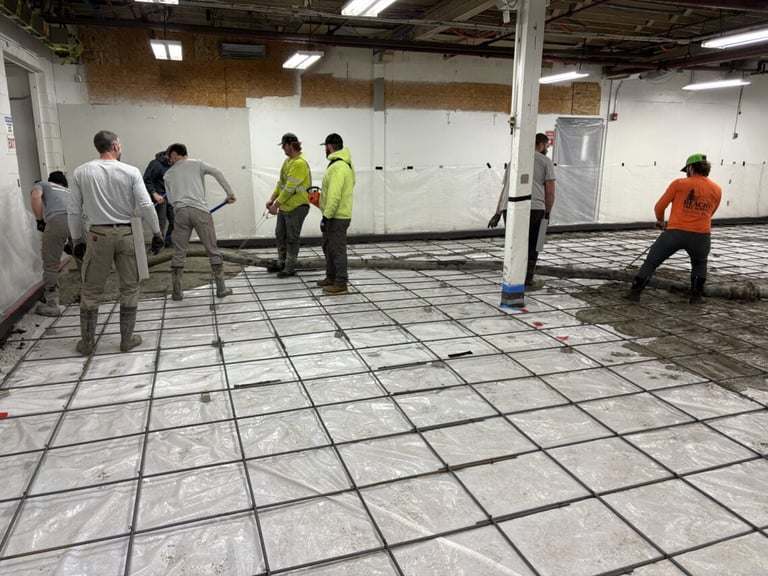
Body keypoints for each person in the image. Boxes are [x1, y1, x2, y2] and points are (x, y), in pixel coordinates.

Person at [68, 130, 164, 355]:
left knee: (91, 290)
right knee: (130, 286)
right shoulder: (130, 171)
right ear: (115, 146)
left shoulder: (82, 171)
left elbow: (73, 209)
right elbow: (146, 205)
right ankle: (127, 340)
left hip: (97, 236)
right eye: (120, 144)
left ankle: (88, 343)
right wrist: (157, 232)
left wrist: (76, 239)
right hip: (127, 235)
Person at [624, 153, 722, 304]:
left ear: (690, 168)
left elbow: (659, 206)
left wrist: (660, 221)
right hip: (701, 236)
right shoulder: (717, 189)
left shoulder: (679, 184)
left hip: (675, 233)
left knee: (651, 262)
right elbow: (711, 213)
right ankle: (696, 297)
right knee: (699, 264)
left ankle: (634, 294)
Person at [163, 143, 237, 301]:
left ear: (176, 154)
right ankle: (221, 289)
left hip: (180, 213)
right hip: (200, 212)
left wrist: (180, 205)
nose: (169, 159)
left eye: (170, 156)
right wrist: (229, 193)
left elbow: (169, 200)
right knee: (212, 249)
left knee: (179, 252)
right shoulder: (198, 164)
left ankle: (177, 292)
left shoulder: (168, 175)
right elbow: (217, 172)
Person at [488, 134, 556, 286]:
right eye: (547, 147)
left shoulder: (514, 160)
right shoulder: (545, 161)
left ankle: (513, 278)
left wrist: (497, 213)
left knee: (515, 244)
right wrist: (547, 213)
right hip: (536, 208)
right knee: (534, 244)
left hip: (510, 208)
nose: (547, 150)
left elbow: (505, 189)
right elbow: (550, 191)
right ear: (540, 145)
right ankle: (527, 280)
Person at [265, 133, 311, 278]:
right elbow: (281, 183)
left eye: (283, 145)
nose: (282, 149)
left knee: (292, 238)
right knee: (280, 235)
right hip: (286, 206)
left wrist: (276, 205)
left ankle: (289, 267)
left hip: (297, 206)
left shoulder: (299, 163)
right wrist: (271, 199)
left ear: (290, 144)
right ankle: (282, 262)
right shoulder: (288, 162)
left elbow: (290, 188)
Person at [316, 133, 355, 295]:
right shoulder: (341, 164)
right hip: (334, 214)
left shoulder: (339, 166)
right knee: (328, 247)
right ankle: (331, 277)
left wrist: (327, 216)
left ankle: (341, 283)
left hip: (336, 217)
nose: (325, 150)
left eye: (325, 146)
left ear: (330, 146)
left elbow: (335, 195)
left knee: (337, 250)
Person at [30, 171, 71, 316]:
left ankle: (52, 304)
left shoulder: (43, 184)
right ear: (64, 183)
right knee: (83, 258)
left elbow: (36, 196)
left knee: (50, 264)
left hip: (58, 221)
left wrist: (39, 220)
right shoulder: (68, 190)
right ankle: (90, 298)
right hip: (79, 221)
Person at [143, 149, 174, 252]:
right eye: (170, 159)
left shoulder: (174, 164)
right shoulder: (155, 164)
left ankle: (168, 244)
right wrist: (154, 194)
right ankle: (156, 249)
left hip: (171, 196)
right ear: (166, 156)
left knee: (175, 222)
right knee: (161, 224)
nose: (172, 162)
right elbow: (147, 180)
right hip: (159, 196)